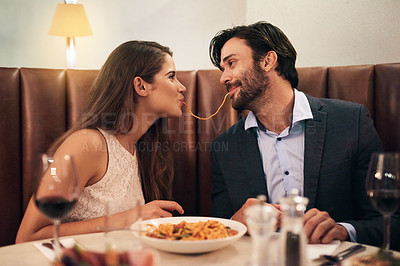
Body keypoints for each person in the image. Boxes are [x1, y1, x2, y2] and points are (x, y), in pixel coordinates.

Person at [208, 21, 400, 249]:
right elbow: (219, 227)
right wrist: (235, 222)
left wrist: (343, 231)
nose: (223, 78)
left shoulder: (351, 122)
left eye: (231, 63)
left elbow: (391, 221)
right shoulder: (225, 147)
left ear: (268, 61)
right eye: (223, 69)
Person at [16, 40, 186, 243]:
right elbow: (27, 237)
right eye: (172, 77)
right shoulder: (86, 145)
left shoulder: (143, 149)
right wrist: (131, 218)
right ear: (141, 86)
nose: (182, 87)